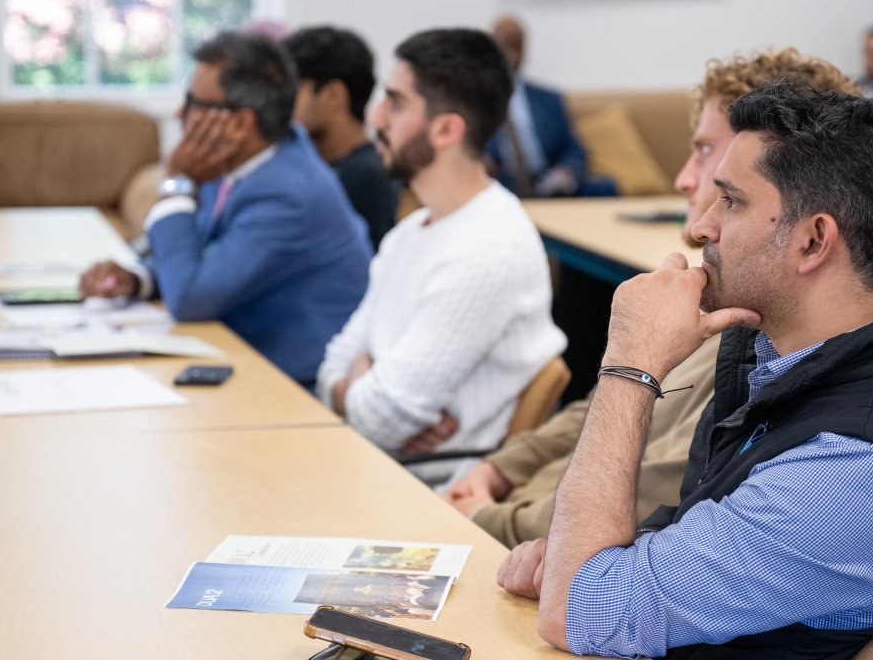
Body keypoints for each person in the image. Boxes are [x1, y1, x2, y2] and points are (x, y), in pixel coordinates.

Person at [496, 81, 873, 660]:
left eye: (733, 201)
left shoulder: (854, 470)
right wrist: (594, 563)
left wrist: (631, 365)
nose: (700, 227)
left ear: (813, 241)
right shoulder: (800, 352)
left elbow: (581, 610)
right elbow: (687, 527)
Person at [445, 48, 860, 547]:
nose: (684, 178)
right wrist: (499, 471)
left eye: (707, 152)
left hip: (538, 545)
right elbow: (605, 405)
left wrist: (487, 519)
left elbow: (655, 492)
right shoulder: (720, 307)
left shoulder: (766, 347)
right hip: (524, 529)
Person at [316, 28, 566, 482]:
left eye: (395, 103)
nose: (374, 117)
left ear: (447, 128)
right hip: (380, 470)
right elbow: (333, 365)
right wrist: (360, 381)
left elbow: (378, 421)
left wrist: (360, 382)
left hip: (425, 495)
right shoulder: (412, 230)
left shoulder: (485, 249)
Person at [79, 32, 371, 389]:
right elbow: (200, 257)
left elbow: (190, 297)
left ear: (239, 123)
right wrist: (138, 280)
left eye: (193, 103)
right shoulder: (242, 162)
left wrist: (176, 184)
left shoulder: (289, 193)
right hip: (241, 361)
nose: (180, 114)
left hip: (294, 387)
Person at [283, 25, 399, 250]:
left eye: (291, 91)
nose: (281, 105)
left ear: (333, 95)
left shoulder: (363, 175)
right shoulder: (324, 168)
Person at [483, 15, 614, 197]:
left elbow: (573, 149)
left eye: (516, 46)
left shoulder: (548, 98)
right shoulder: (475, 99)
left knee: (606, 187)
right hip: (502, 184)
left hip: (547, 183)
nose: (511, 54)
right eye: (504, 45)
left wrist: (566, 171)